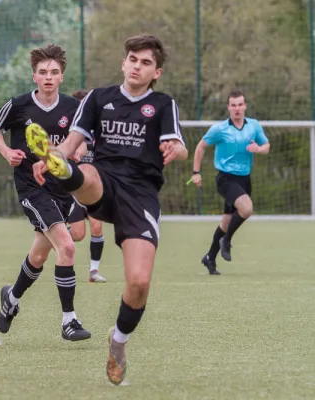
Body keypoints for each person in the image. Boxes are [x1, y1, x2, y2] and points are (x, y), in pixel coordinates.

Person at [25, 35, 188, 385]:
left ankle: (118, 341)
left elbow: (180, 147)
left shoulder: (162, 105)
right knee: (86, 174)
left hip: (141, 194)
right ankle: (65, 174)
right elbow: (71, 145)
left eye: (145, 62)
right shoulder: (99, 98)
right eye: (132, 59)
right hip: (104, 179)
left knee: (139, 282)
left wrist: (177, 150)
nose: (136, 66)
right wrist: (51, 160)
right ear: (123, 63)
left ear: (155, 71)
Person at [0, 44, 91, 341]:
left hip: (63, 188)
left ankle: (11, 298)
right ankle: (69, 321)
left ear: (61, 77)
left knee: (40, 255)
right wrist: (7, 151)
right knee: (67, 247)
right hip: (32, 188)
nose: (48, 77)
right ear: (34, 76)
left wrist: (80, 149)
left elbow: (83, 137)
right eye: (43, 72)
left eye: (54, 72)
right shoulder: (18, 106)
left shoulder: (73, 107)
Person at [191, 89, 270, 274]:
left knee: (226, 223)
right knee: (247, 209)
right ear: (228, 107)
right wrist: (196, 172)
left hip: (244, 180)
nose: (237, 108)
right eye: (233, 105)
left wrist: (258, 149)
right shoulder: (219, 129)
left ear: (245, 106)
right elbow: (201, 147)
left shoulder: (254, 126)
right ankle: (226, 241)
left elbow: (267, 146)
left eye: (240, 105)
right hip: (226, 179)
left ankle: (210, 258)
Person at [67, 89, 107, 283]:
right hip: (74, 189)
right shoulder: (71, 130)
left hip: (94, 187)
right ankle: (54, 235)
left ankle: (93, 271)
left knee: (97, 225)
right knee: (77, 234)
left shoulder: (100, 129)